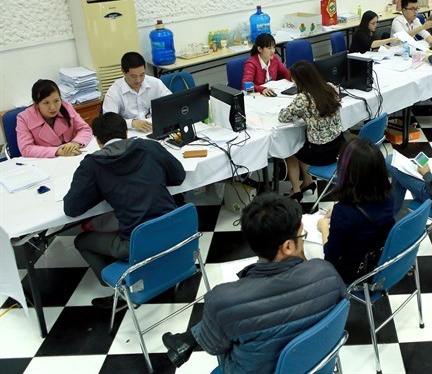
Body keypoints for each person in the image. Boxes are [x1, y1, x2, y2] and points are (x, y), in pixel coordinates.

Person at [161, 193, 346, 372]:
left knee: (229, 318)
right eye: (302, 235)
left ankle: (185, 341)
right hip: (318, 363)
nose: (303, 239)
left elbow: (215, 348)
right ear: (288, 246)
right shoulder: (326, 272)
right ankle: (186, 340)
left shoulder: (222, 298)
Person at [64, 112, 186, 308]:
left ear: (98, 141)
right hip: (175, 231)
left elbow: (71, 208)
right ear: (126, 134)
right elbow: (178, 176)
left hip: (136, 243)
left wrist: (103, 189)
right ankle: (155, 269)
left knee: (81, 240)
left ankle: (121, 291)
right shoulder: (150, 147)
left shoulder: (92, 164)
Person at [317, 137, 394, 283]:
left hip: (356, 272)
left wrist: (324, 227)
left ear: (347, 171)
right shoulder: (388, 195)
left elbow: (330, 256)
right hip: (381, 259)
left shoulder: (344, 213)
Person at [278, 61, 344, 201]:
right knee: (302, 145)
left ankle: (296, 190)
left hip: (321, 154)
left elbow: (283, 116)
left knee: (290, 151)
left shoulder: (304, 98)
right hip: (339, 148)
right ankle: (307, 181)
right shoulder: (330, 88)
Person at [16, 79, 92, 158]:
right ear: (37, 104)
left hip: (70, 156)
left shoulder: (66, 107)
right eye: (46, 103)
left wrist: (76, 143)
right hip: (44, 160)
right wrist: (58, 151)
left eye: (56, 101)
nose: (53, 107)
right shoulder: (24, 118)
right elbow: (26, 149)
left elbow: (85, 129)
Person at [102, 51, 172, 132]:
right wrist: (132, 123)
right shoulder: (114, 92)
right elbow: (108, 121)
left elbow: (171, 102)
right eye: (133, 76)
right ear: (123, 71)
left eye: (142, 75)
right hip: (130, 133)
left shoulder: (155, 83)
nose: (138, 80)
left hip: (154, 129)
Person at [348, 10, 397, 78]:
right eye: (373, 23)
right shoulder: (360, 33)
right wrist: (390, 40)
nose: (375, 25)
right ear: (366, 23)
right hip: (357, 62)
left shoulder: (370, 31)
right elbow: (371, 44)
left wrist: (384, 46)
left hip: (366, 58)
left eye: (376, 23)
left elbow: (375, 42)